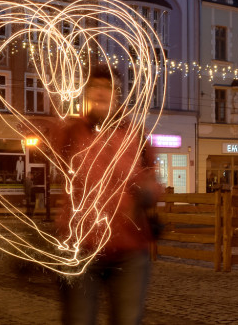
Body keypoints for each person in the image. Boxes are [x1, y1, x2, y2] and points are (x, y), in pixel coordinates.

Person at [53, 65, 162, 325]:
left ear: (118, 95)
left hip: (129, 249)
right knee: (78, 320)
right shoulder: (70, 133)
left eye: (108, 87)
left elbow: (152, 181)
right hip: (82, 249)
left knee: (127, 320)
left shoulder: (135, 135)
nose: (100, 93)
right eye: (94, 87)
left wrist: (146, 192)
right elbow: (59, 174)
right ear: (86, 93)